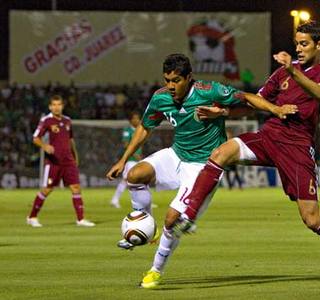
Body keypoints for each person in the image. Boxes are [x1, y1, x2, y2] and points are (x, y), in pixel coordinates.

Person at [176, 21, 320, 285]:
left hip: (298, 147)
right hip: (269, 136)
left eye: (304, 44)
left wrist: (294, 71)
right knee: (221, 153)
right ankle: (190, 214)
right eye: (296, 43)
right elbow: (258, 101)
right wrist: (224, 112)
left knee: (311, 219)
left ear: (319, 45)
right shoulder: (282, 73)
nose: (298, 49)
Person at [106, 53, 297, 288]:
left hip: (202, 167)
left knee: (172, 219)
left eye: (176, 80)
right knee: (133, 174)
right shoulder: (161, 98)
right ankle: (145, 224)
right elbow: (145, 127)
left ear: (189, 78)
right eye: (167, 80)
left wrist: (276, 110)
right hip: (176, 154)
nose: (171, 86)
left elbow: (246, 98)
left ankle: (155, 270)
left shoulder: (210, 91)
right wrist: (123, 159)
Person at [27, 95, 95, 227]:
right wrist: (45, 146)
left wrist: (75, 155)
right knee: (47, 189)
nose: (56, 107)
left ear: (62, 106)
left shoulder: (67, 120)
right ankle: (32, 217)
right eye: (54, 105)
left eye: (59, 104)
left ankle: (80, 220)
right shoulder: (46, 120)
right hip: (54, 162)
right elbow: (35, 138)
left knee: (76, 188)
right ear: (50, 107)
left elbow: (70, 140)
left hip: (68, 161)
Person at [110, 112, 144, 208]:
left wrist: (140, 155)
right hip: (131, 159)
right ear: (131, 120)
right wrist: (135, 154)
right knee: (126, 180)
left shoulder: (140, 130)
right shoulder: (127, 130)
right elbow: (125, 144)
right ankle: (115, 199)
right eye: (135, 118)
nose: (137, 120)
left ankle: (144, 200)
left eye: (138, 118)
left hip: (138, 159)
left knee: (142, 179)